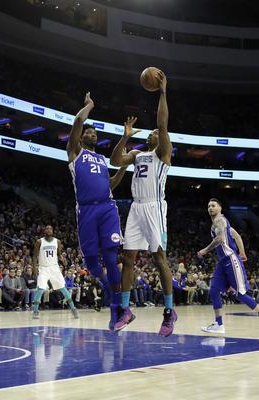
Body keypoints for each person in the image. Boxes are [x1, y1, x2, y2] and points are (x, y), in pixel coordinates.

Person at [110, 71, 177, 336]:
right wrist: (125, 137)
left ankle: (169, 311)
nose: (153, 133)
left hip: (154, 207)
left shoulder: (163, 153)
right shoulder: (138, 154)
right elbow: (116, 161)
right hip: (136, 207)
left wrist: (163, 92)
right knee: (128, 257)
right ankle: (126, 310)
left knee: (159, 258)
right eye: (150, 132)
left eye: (156, 133)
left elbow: (162, 124)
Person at [66, 92, 127, 330]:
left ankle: (117, 309)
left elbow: (110, 184)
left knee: (111, 257)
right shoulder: (75, 152)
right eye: (89, 132)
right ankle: (106, 288)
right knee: (92, 261)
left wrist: (123, 167)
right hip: (86, 210)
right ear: (81, 137)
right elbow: (77, 121)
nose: (93, 134)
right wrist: (90, 105)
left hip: (107, 207)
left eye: (95, 132)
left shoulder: (102, 158)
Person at [197, 198, 259, 335]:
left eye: (213, 205)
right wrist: (242, 252)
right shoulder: (223, 223)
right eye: (208, 206)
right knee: (214, 289)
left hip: (230, 260)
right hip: (222, 262)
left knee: (240, 294)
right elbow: (237, 236)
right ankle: (219, 324)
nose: (210, 208)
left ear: (220, 208)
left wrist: (205, 250)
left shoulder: (219, 220)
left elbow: (220, 239)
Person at [31, 225, 78, 319]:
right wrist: (34, 270)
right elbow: (35, 256)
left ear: (53, 231)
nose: (48, 230)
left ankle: (73, 309)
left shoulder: (57, 241)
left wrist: (63, 259)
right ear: (44, 231)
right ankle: (35, 311)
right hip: (43, 268)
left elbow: (59, 254)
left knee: (63, 288)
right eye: (47, 228)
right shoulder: (39, 241)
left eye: (50, 229)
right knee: (40, 289)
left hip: (54, 268)